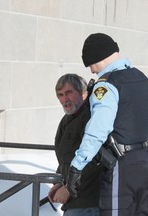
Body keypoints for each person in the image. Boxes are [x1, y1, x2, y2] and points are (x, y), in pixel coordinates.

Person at [66, 33, 148, 216]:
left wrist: (76, 167)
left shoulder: (106, 85)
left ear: (96, 57)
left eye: (90, 65)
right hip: (146, 164)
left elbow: (97, 131)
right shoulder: (144, 79)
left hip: (122, 168)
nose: (92, 71)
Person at [48, 74, 102, 216]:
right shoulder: (67, 120)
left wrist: (67, 188)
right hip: (75, 200)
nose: (64, 99)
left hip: (90, 201)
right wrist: (59, 181)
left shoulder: (90, 118)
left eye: (68, 93)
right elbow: (66, 159)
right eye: (60, 95)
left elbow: (94, 160)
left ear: (83, 93)